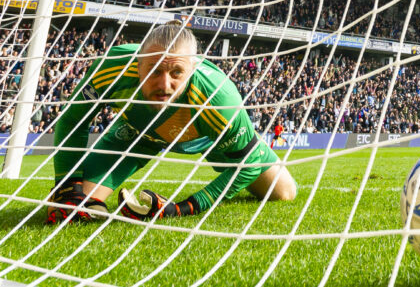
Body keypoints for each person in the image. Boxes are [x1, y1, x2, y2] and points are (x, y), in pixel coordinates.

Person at [45, 20, 297, 224]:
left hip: (208, 141)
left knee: (285, 193)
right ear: (137, 64)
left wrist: (186, 207)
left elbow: (248, 163)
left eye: (176, 72)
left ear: (193, 68)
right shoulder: (112, 68)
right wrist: (68, 186)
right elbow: (72, 120)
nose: (164, 85)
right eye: (154, 70)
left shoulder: (219, 98)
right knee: (78, 205)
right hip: (137, 135)